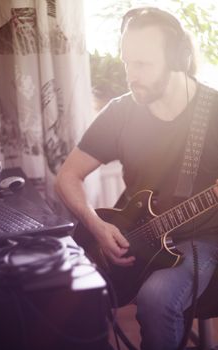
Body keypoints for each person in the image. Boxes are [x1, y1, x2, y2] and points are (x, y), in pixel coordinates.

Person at [56, 5, 218, 350]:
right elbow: (68, 176)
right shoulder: (121, 111)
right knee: (63, 292)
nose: (131, 74)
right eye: (127, 62)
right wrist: (96, 226)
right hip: (137, 233)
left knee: (157, 299)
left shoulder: (214, 112)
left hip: (202, 238)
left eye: (142, 64)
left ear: (176, 59)